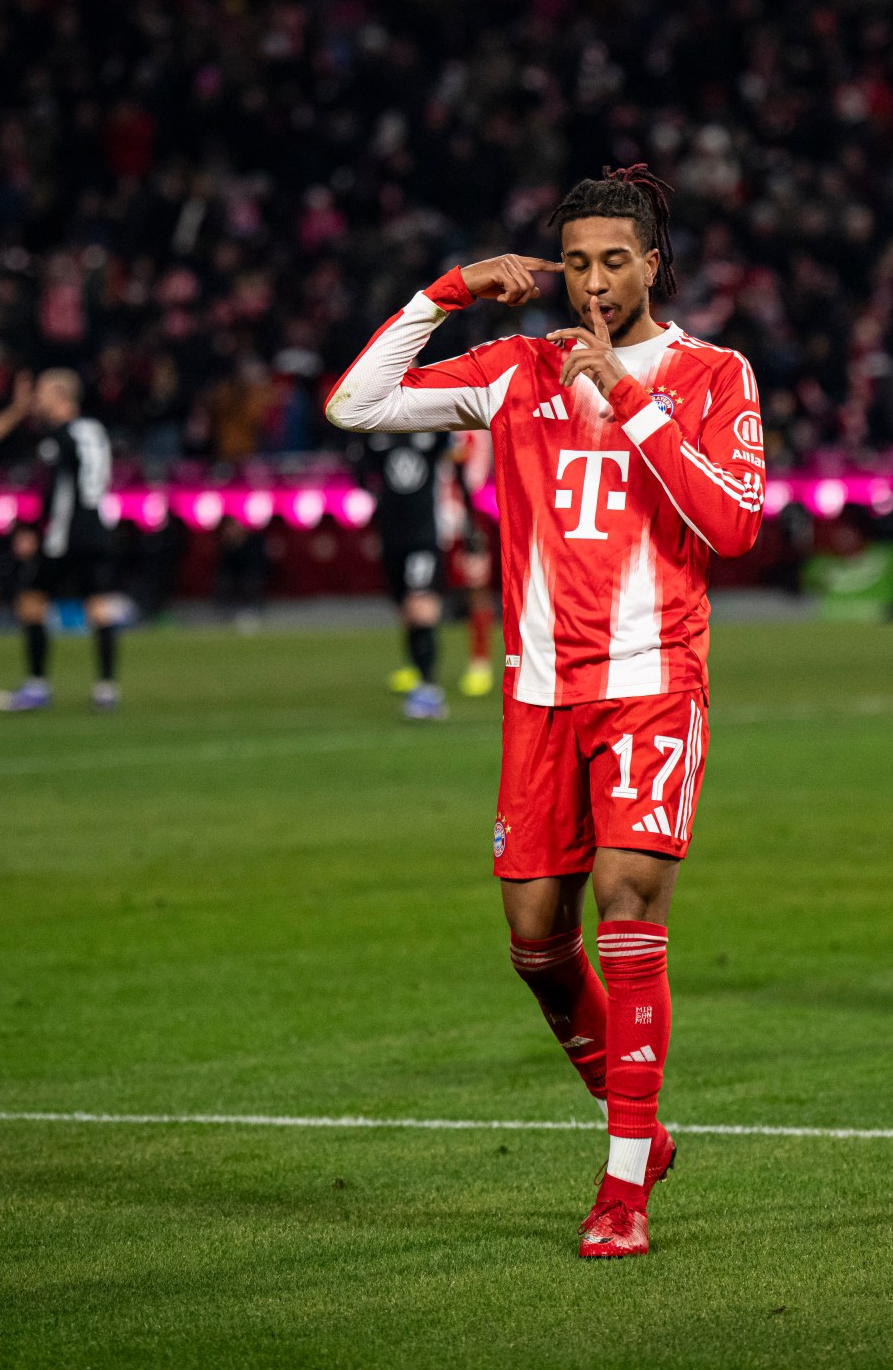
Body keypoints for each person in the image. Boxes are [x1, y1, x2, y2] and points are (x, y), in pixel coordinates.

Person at [324, 166, 763, 1259]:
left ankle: (623, 1190)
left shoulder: (712, 373)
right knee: (535, 942)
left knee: (627, 903)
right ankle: (641, 1127)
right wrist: (450, 291)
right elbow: (355, 402)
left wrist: (627, 393)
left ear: (654, 262)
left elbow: (735, 525)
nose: (595, 281)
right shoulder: (515, 370)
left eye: (616, 259)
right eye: (576, 262)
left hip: (653, 679)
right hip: (539, 693)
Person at [0, 370, 127, 712]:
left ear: (61, 397)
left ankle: (37, 685)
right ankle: (106, 689)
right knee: (99, 606)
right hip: (98, 529)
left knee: (32, 602)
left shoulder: (58, 436)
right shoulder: (94, 431)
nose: (37, 400)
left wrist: (32, 530)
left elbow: (53, 490)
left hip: (64, 536)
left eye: (42, 393)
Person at [357, 428, 454, 720]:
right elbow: (359, 467)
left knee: (420, 607)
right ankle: (420, 681)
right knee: (406, 613)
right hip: (391, 538)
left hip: (423, 537)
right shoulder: (376, 432)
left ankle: (428, 689)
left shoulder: (432, 430)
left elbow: (453, 445)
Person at [449, 428, 500, 697]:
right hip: (439, 516)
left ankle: (480, 663)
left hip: (467, 516)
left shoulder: (473, 428)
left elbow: (472, 473)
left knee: (477, 589)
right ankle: (420, 668)